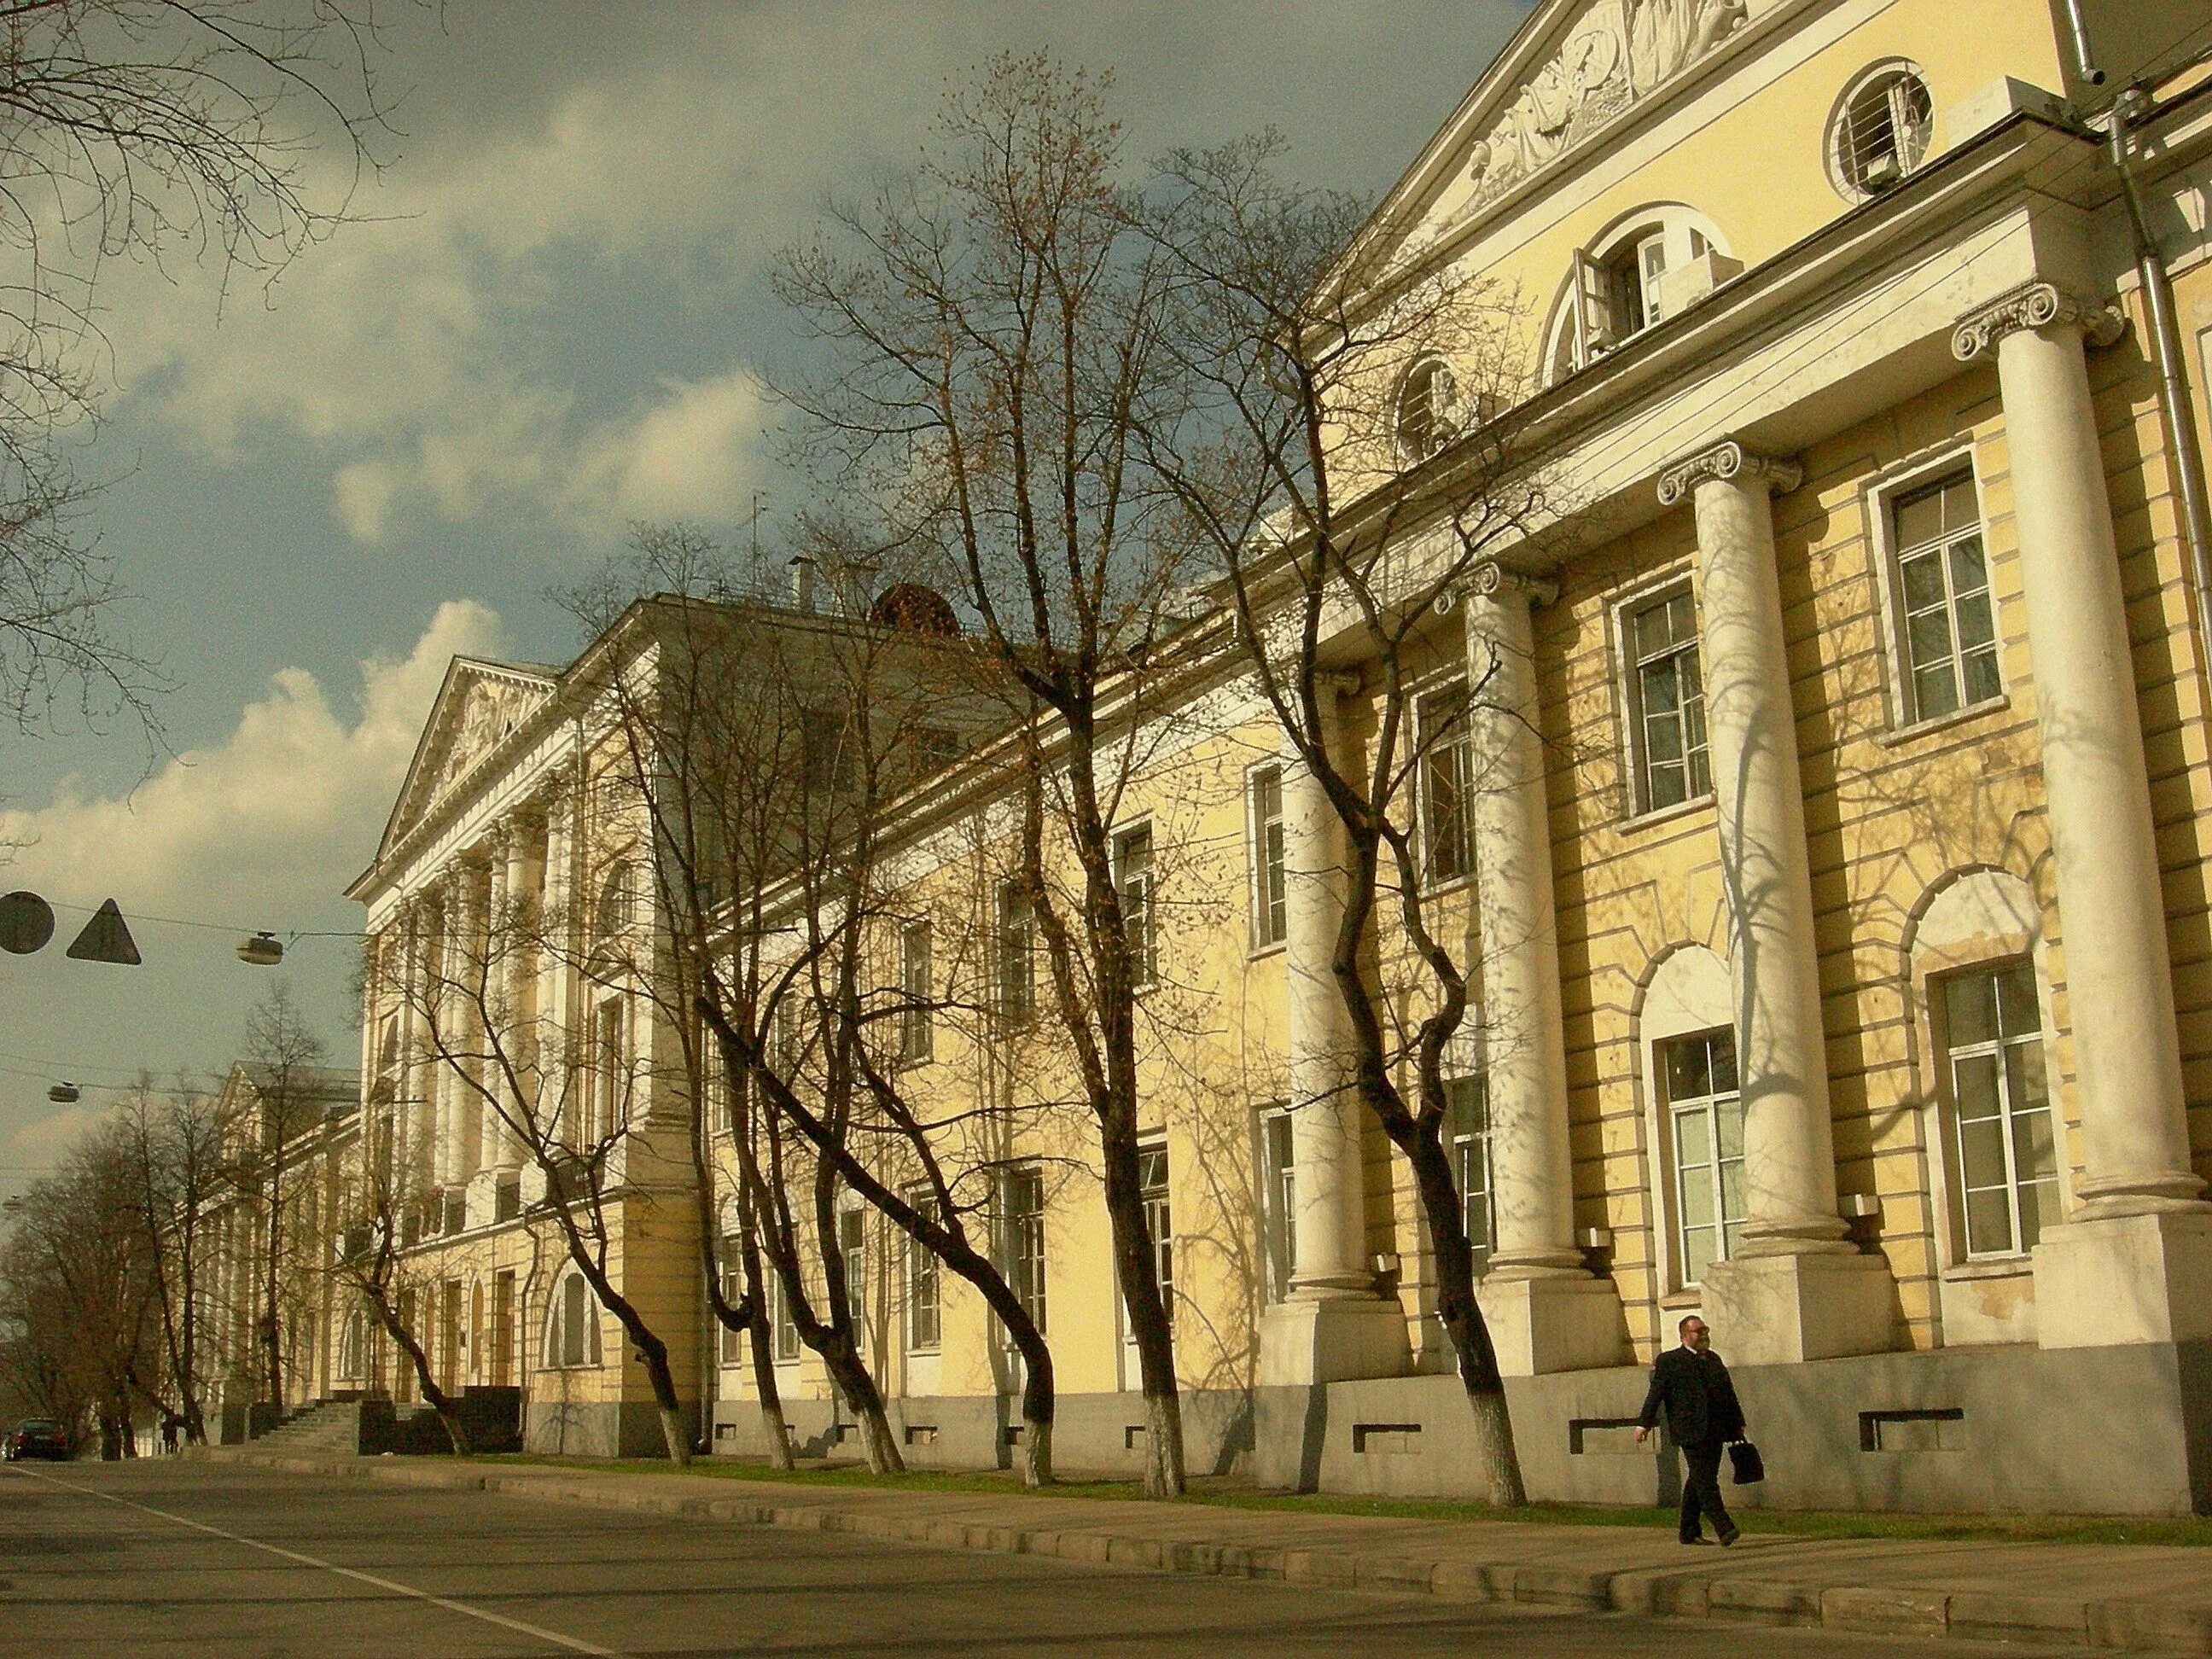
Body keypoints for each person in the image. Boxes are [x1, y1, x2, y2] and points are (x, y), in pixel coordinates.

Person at [1634, 1314, 1747, 1545]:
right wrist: (1643, 1424)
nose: (1704, 1336)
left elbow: (1728, 1393)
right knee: (1705, 1481)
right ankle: (1724, 1527)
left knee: (1698, 1479)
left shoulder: (1714, 1360)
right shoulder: (1670, 1361)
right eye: (1699, 1332)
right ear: (1685, 1335)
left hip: (1715, 1430)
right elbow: (1656, 1394)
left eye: (1706, 1331)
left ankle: (1688, 1531)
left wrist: (1737, 1423)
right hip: (1689, 1431)